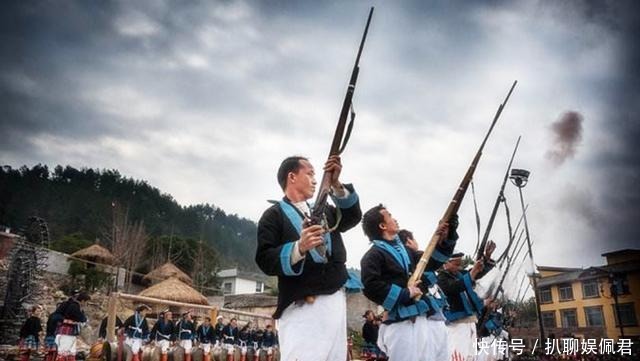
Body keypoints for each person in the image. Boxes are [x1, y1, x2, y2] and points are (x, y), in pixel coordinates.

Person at [255, 155, 362, 360]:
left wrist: (337, 184)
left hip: (336, 302)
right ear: (292, 176)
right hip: (303, 306)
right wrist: (299, 247)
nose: (315, 179)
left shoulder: (325, 211)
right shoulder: (273, 216)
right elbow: (265, 258)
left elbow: (352, 217)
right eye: (310, 174)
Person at [360, 205, 458, 361]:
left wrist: (446, 236)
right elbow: (370, 286)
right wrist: (406, 293)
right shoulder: (373, 255)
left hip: (423, 318)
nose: (395, 219)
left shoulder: (406, 251)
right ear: (383, 226)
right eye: (390, 216)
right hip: (401, 324)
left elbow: (432, 262)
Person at [437, 243, 496, 361]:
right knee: (459, 357)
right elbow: (456, 287)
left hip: (471, 322)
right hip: (457, 324)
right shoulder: (441, 279)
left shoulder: (460, 274)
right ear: (446, 263)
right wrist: (472, 272)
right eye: (456, 264)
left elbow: (478, 272)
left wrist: (486, 258)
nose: (459, 267)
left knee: (470, 357)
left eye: (460, 264)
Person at [55, 292, 91, 361]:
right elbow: (81, 318)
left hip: (69, 332)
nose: (87, 305)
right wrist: (85, 319)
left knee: (69, 353)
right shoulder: (74, 306)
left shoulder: (73, 305)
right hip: (66, 332)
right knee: (64, 353)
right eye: (87, 302)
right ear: (83, 301)